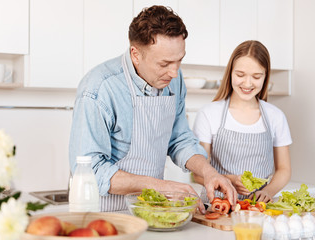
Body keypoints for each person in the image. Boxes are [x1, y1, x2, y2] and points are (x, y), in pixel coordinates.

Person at [69, 5, 236, 212]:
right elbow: (89, 171)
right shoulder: (99, 89)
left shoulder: (172, 79)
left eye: (179, 61)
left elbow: (179, 138)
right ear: (136, 54)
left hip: (152, 211)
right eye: (164, 63)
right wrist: (161, 186)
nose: (174, 72)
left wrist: (209, 172)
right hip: (105, 213)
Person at [192, 40, 292, 203]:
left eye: (256, 76)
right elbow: (198, 174)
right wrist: (230, 180)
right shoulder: (209, 114)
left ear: (265, 76)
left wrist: (268, 191)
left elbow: (284, 169)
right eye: (240, 75)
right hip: (217, 204)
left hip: (259, 207)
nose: (247, 83)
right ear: (230, 73)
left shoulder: (276, 116)